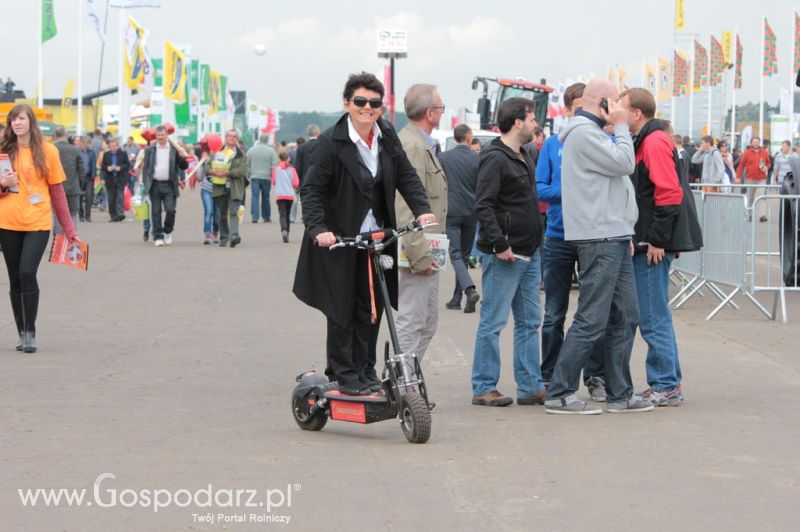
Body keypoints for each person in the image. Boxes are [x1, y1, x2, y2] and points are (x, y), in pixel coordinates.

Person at [293, 71, 434, 396]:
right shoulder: (332, 142)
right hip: (339, 240)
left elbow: (405, 175)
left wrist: (421, 207)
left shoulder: (385, 134)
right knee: (343, 307)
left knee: (374, 305)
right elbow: (312, 190)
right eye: (360, 102)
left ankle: (366, 369)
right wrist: (319, 229)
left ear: (381, 107)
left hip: (376, 238)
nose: (367, 108)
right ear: (347, 103)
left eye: (373, 103)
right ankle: (344, 372)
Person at [544, 79, 651, 415]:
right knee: (592, 317)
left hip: (613, 233)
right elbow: (624, 163)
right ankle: (560, 391)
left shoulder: (592, 134)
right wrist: (621, 127)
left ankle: (620, 392)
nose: (620, 109)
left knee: (627, 313)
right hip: (599, 235)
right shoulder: (583, 134)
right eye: (615, 101)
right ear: (603, 103)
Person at [620, 87, 702, 407]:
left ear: (637, 113)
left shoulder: (653, 142)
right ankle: (668, 381)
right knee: (655, 316)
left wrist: (656, 240)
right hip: (652, 240)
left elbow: (668, 194)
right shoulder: (653, 139)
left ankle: (666, 384)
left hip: (652, 244)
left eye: (622, 108)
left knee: (653, 317)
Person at [535, 82, 607, 402]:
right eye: (578, 106)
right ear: (567, 109)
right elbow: (541, 189)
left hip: (593, 236)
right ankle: (550, 376)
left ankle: (595, 375)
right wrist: (572, 192)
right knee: (553, 313)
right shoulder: (553, 144)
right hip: (558, 236)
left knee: (593, 313)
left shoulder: (602, 141)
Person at [471, 97, 544, 407]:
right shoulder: (495, 158)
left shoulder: (525, 154)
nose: (535, 124)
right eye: (531, 118)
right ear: (518, 122)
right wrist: (499, 243)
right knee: (493, 321)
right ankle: (484, 386)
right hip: (506, 254)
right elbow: (483, 204)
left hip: (530, 252)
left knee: (530, 322)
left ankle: (530, 386)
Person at [0, 103, 80, 353]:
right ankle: (21, 331)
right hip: (8, 222)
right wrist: (3, 183)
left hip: (37, 223)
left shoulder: (48, 151)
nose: (17, 123)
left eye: (21, 119)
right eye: (13, 120)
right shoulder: (4, 151)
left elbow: (57, 192)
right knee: (14, 279)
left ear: (30, 122)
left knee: (27, 273)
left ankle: (31, 332)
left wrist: (69, 229)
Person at [395, 84, 448, 361]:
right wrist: (419, 255)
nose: (442, 111)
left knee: (426, 322)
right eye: (441, 107)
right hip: (418, 253)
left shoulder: (421, 144)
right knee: (413, 323)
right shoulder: (412, 146)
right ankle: (401, 388)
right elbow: (405, 206)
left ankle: (408, 385)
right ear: (430, 113)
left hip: (428, 251)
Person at [438, 123, 481, 313]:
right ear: (469, 138)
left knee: (455, 255)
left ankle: (469, 289)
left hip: (452, 211)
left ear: (455, 138)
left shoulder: (444, 158)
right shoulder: (477, 158)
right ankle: (457, 299)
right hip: (472, 212)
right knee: (463, 255)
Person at [141, 125, 188, 247]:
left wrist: (184, 157)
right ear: (156, 136)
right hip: (155, 185)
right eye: (158, 135)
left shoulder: (174, 149)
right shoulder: (150, 150)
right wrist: (145, 184)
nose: (160, 137)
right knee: (155, 212)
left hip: (170, 185)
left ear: (167, 135)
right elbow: (146, 169)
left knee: (171, 210)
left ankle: (167, 231)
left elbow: (183, 166)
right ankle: (158, 236)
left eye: (162, 135)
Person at [205, 129, 248, 248]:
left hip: (235, 188)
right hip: (220, 187)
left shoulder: (241, 155)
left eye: (234, 136)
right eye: (229, 136)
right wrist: (211, 171)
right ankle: (224, 237)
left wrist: (228, 173)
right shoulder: (217, 152)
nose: (232, 138)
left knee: (234, 212)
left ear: (237, 139)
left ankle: (234, 236)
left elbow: (242, 170)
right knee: (222, 214)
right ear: (225, 137)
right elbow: (206, 166)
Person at [52, 125, 83, 233]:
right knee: (73, 213)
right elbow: (82, 170)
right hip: (73, 188)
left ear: (55, 136)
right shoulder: (75, 150)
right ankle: (72, 242)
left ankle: (58, 243)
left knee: (57, 214)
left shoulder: (50, 148)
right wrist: (80, 184)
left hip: (55, 187)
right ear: (66, 135)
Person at [736, 136, 772, 222]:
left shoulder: (764, 152)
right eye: (754, 142)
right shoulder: (747, 153)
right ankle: (750, 215)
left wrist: (766, 167)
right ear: (751, 143)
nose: (756, 143)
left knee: (762, 197)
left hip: (761, 178)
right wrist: (738, 176)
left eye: (757, 142)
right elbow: (741, 165)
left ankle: (762, 215)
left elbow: (769, 163)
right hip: (750, 178)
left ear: (759, 143)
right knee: (750, 197)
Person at [246, 134, 278, 223]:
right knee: (266, 197)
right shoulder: (271, 151)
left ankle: (255, 217)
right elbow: (274, 164)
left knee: (255, 197)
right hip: (266, 177)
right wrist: (271, 175)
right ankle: (266, 217)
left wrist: (248, 174)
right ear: (267, 140)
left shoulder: (251, 150)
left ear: (259, 140)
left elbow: (247, 163)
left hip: (254, 176)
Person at [293, 124, 321, 223]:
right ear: (318, 133)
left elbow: (298, 167)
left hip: (305, 181)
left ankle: (306, 218)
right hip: (320, 180)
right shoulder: (323, 146)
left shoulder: (301, 148)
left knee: (306, 202)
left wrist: (297, 183)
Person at [271, 150, 299, 243]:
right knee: (288, 214)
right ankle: (288, 232)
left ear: (279, 158)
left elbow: (274, 181)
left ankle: (284, 230)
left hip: (280, 195)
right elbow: (296, 183)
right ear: (288, 159)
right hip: (289, 195)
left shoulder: (276, 169)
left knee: (282, 214)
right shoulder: (292, 169)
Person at [100, 138, 130, 222]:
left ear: (117, 146)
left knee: (120, 197)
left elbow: (127, 165)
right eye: (111, 146)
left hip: (120, 178)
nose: (113, 147)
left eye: (114, 146)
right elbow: (103, 166)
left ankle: (120, 214)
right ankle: (113, 216)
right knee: (111, 198)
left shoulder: (123, 154)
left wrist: (120, 167)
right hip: (110, 179)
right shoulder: (106, 154)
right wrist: (107, 168)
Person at [78, 136, 96, 222]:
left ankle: (88, 216)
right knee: (79, 197)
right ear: (80, 143)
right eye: (83, 142)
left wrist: (94, 175)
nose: (85, 144)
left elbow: (94, 164)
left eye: (86, 143)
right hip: (79, 178)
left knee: (89, 196)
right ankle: (81, 216)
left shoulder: (92, 152)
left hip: (89, 177)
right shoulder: (77, 152)